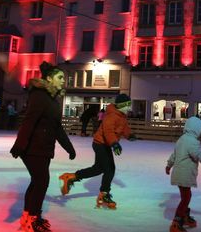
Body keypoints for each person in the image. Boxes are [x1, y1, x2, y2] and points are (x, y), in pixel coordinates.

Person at [10, 61, 76, 232]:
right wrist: (19, 145)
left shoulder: (52, 99)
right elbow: (29, 120)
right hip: (33, 148)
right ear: (49, 78)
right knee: (41, 182)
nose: (63, 80)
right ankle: (33, 219)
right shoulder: (40, 95)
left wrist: (69, 147)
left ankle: (28, 217)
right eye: (60, 77)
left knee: (37, 182)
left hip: (43, 147)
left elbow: (57, 128)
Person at [58, 94, 136, 209]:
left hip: (104, 144)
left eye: (129, 105)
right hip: (100, 144)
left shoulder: (122, 116)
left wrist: (129, 135)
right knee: (109, 169)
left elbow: (124, 128)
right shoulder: (112, 115)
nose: (129, 108)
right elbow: (108, 131)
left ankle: (71, 177)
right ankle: (104, 194)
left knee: (98, 169)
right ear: (120, 105)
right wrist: (114, 143)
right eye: (127, 105)